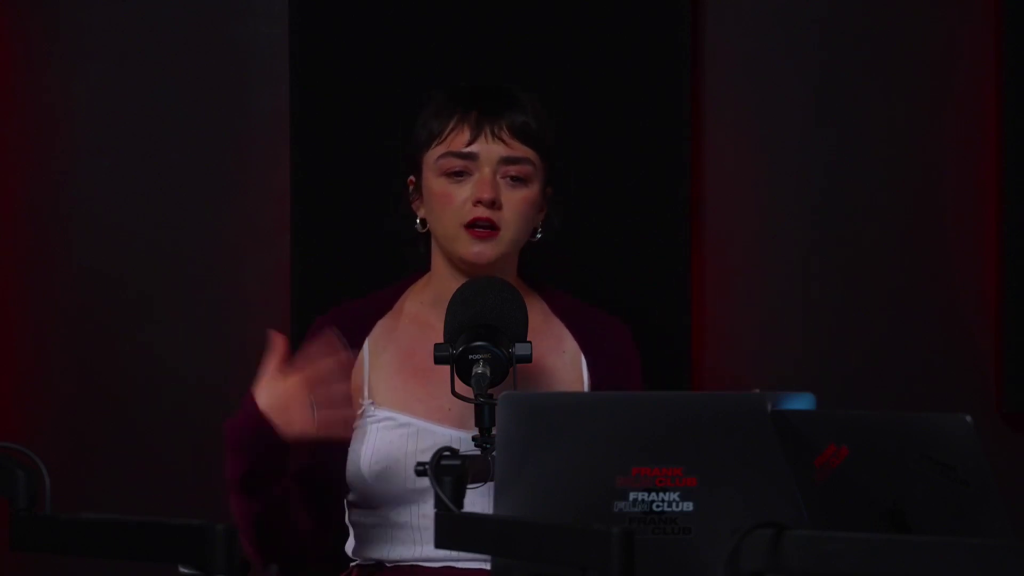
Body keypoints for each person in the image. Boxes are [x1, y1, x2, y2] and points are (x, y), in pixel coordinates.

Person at [223, 84, 644, 576]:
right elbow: (291, 553)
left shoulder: (601, 345)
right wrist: (261, 436)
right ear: (417, 196)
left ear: (541, 207)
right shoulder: (348, 338)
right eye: (458, 173)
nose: (486, 195)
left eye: (514, 177)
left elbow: (638, 528)